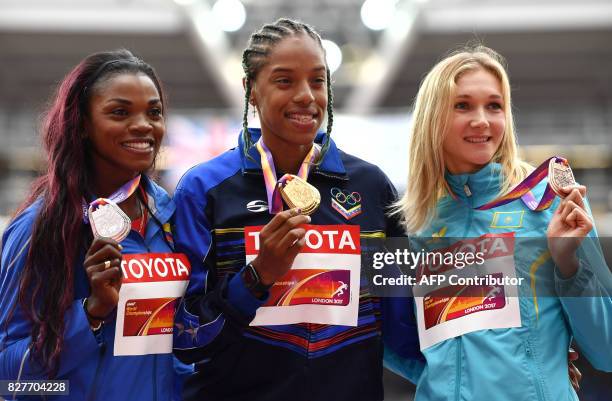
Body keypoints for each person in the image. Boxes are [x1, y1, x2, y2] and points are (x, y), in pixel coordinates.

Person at [171, 18, 417, 401]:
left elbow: (404, 323)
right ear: (251, 90)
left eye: (318, 81)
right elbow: (185, 336)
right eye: (285, 81)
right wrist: (256, 277)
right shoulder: (204, 189)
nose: (306, 96)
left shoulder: (371, 187)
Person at [385, 45, 612, 400]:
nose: (482, 120)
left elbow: (607, 349)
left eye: (494, 105)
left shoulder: (550, 206)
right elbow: (399, 342)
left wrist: (568, 264)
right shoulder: (414, 223)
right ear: (432, 117)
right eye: (462, 105)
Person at [0, 49, 191, 400]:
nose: (143, 125)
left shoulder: (173, 219)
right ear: (83, 125)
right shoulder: (39, 229)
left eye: (154, 112)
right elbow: (9, 378)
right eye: (120, 112)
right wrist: (91, 313)